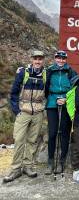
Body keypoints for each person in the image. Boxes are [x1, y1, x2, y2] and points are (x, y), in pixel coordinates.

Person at [3, 50, 46, 183]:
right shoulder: (23, 72)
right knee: (19, 140)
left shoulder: (46, 74)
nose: (38, 61)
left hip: (38, 112)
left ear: (43, 60)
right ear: (32, 59)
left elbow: (49, 91)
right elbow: (14, 92)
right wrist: (17, 111)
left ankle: (28, 166)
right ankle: (16, 169)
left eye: (40, 59)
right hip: (24, 111)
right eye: (35, 58)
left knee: (32, 141)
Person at [45, 50, 79, 175]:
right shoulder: (49, 71)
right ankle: (50, 161)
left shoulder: (70, 71)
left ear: (66, 59)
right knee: (52, 133)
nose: (60, 60)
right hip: (52, 104)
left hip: (66, 103)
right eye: (58, 58)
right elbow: (45, 86)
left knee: (64, 133)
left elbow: (75, 87)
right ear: (55, 58)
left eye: (63, 58)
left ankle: (62, 161)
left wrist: (65, 98)